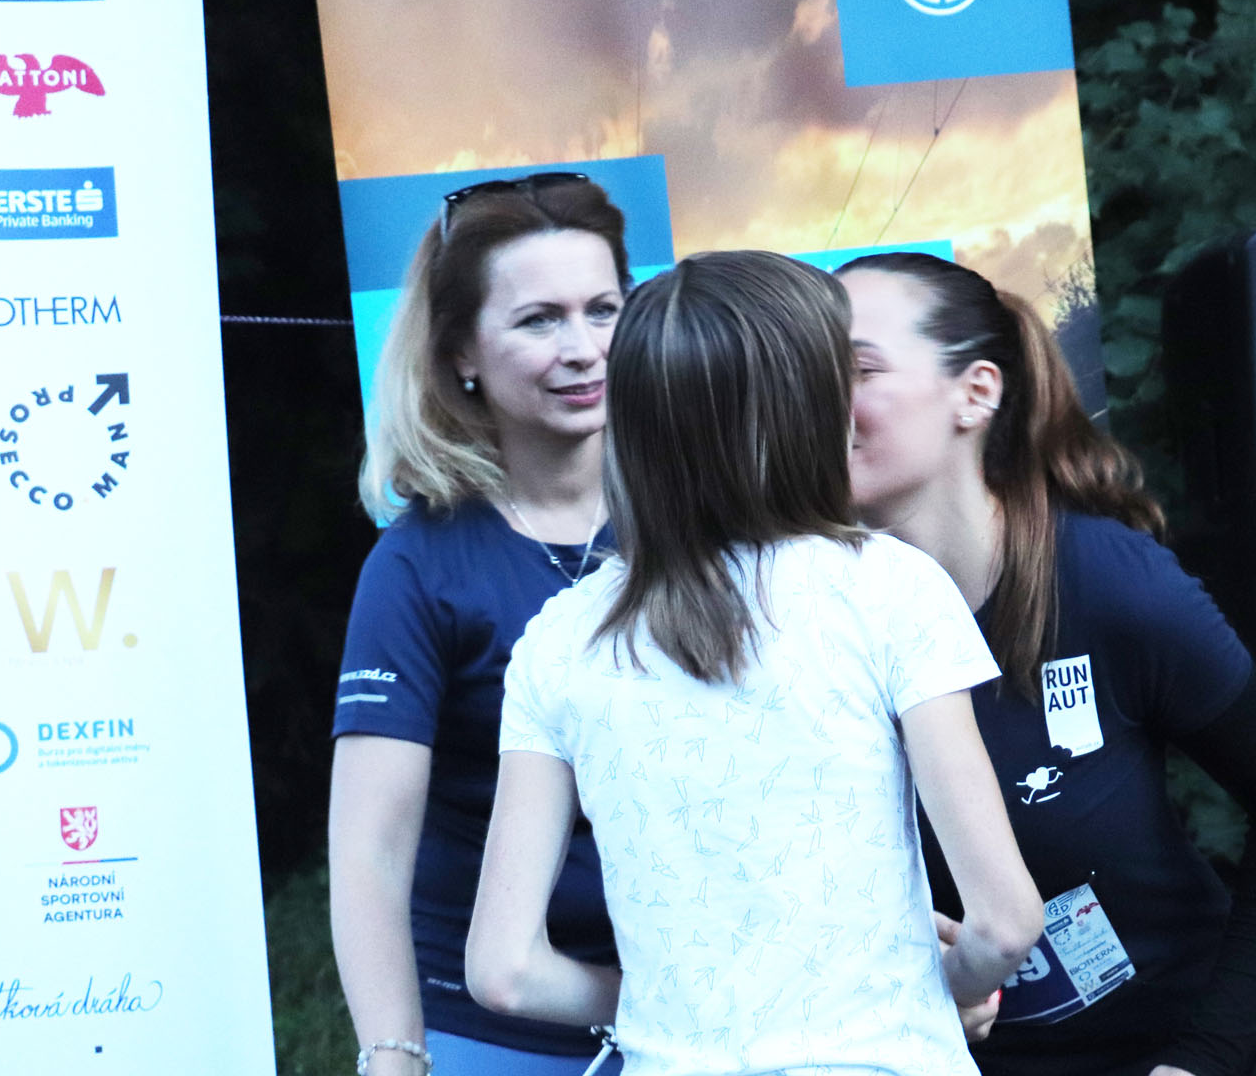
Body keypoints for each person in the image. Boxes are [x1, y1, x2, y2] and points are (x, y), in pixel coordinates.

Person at [466, 250, 1045, 1076]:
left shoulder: (558, 642)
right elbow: (1006, 922)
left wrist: (660, 1005)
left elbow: (504, 971)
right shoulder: (889, 588)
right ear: (809, 411)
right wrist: (942, 988)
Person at [835, 252, 1256, 1076]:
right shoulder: (803, 617)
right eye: (807, 374)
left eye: (858, 370)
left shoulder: (1108, 582)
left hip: (1161, 1048)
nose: (821, 401)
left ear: (976, 393)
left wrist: (1206, 1056)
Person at [329, 172, 631, 1076]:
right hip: (491, 1028)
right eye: (540, 320)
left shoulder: (707, 523)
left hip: (707, 1015)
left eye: (604, 310)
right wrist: (393, 1054)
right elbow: (372, 850)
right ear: (462, 351)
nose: (583, 348)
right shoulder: (418, 566)